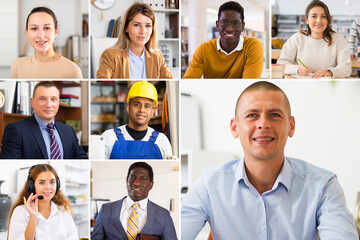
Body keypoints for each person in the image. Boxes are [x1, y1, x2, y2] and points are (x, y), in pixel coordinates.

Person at [181, 81, 358, 239]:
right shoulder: (209, 184)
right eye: (252, 115)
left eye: (274, 115)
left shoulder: (324, 186)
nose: (263, 124)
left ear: (291, 126)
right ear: (235, 127)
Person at [0, 81, 88, 159]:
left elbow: (82, 159)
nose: (49, 105)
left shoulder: (69, 130)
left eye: (53, 99)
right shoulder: (16, 130)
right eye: (42, 99)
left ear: (58, 103)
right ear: (32, 102)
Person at [91, 162, 177, 240]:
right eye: (132, 178)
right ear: (126, 182)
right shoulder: (106, 209)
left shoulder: (163, 216)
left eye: (143, 179)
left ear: (151, 185)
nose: (136, 183)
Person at [182, 1, 263, 79]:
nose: (229, 29)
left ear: (242, 26)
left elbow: (249, 83)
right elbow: (188, 80)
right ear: (217, 25)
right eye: (224, 23)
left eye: (236, 23)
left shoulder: (252, 46)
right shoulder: (203, 50)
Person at [277, 0, 351, 78]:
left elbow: (346, 68)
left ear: (328, 20)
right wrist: (297, 69)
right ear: (307, 20)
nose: (319, 21)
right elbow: (281, 63)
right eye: (314, 16)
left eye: (323, 16)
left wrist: (329, 72)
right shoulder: (297, 38)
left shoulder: (338, 39)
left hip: (329, 86)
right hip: (303, 85)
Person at [96, 2, 172, 79]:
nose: (143, 31)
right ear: (126, 28)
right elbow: (102, 80)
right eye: (136, 25)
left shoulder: (157, 56)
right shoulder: (110, 56)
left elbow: (170, 81)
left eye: (148, 26)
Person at [102, 81, 172, 159]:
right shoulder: (108, 138)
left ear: (152, 112)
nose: (142, 110)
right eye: (137, 105)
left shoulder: (162, 141)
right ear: (128, 108)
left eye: (147, 106)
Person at [8, 164, 78, 240]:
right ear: (32, 186)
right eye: (42, 182)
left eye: (52, 182)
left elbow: (73, 237)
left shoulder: (63, 210)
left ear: (57, 184)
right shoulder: (20, 211)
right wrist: (33, 218)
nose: (48, 187)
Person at [11, 7, 83, 79]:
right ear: (27, 32)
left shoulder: (72, 70)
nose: (41, 35)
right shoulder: (17, 65)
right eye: (34, 28)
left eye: (47, 28)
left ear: (55, 32)